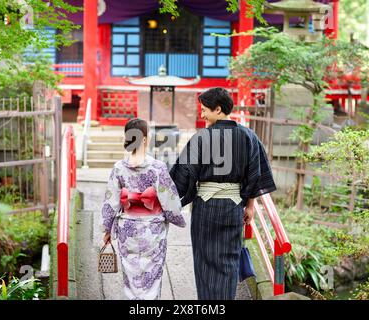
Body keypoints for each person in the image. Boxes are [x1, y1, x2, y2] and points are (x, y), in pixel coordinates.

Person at [169, 87, 276, 300]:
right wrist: (250, 206)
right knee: (229, 263)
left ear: (218, 109)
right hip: (233, 207)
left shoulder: (201, 138)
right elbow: (254, 175)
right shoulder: (248, 136)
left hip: (205, 208)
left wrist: (165, 199)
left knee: (205, 262)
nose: (202, 114)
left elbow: (182, 176)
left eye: (205, 110)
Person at [101, 118, 186, 300]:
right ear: (145, 139)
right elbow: (170, 201)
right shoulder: (158, 168)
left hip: (127, 231)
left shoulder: (118, 168)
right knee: (152, 277)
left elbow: (110, 202)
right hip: (152, 230)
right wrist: (176, 217)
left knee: (131, 276)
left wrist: (107, 228)